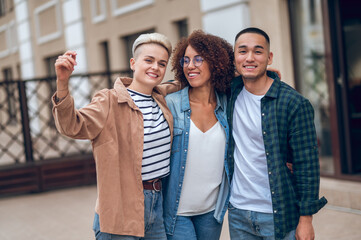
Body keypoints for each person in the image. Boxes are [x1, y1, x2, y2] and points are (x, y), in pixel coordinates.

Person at [52, 33, 174, 240]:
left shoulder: (162, 97)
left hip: (157, 203)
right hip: (120, 210)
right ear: (133, 63)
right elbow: (72, 126)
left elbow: (190, 82)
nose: (155, 67)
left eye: (162, 64)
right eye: (149, 60)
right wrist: (62, 83)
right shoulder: (109, 100)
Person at [226, 27, 328, 240]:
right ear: (234, 57)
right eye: (242, 51)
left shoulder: (294, 103)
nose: (250, 57)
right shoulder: (230, 92)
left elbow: (306, 165)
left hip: (279, 215)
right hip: (238, 211)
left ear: (269, 57)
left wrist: (306, 220)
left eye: (258, 51)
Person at [162, 30, 234, 240]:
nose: (190, 66)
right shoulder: (172, 104)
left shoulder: (227, 104)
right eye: (185, 60)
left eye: (198, 59)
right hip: (176, 212)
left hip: (212, 211)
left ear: (216, 63)